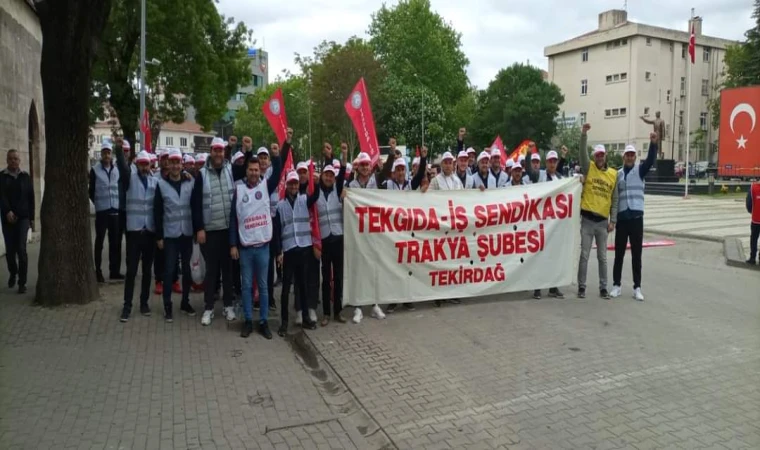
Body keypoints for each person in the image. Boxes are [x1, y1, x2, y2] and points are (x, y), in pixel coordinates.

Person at [229, 151, 283, 339]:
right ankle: (248, 321)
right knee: (246, 287)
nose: (253, 172)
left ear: (261, 170)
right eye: (250, 170)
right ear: (247, 171)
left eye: (256, 169)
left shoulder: (266, 186)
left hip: (262, 246)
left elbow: (277, 173)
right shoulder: (239, 190)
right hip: (245, 247)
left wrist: (276, 156)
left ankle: (263, 321)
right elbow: (233, 219)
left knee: (263, 286)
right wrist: (233, 244)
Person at [193, 137, 237, 326]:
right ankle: (209, 308)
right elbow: (195, 204)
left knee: (227, 271)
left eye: (221, 150)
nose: (218, 154)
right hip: (210, 231)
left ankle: (228, 306)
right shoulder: (201, 174)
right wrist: (199, 228)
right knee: (211, 272)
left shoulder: (230, 170)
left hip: (228, 230)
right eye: (216, 150)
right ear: (211, 151)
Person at [345, 151, 393, 323]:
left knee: (374, 270)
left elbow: (387, 171)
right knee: (358, 271)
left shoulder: (376, 181)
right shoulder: (351, 185)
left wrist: (392, 155)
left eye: (367, 165)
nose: (365, 168)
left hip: (373, 233)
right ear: (358, 167)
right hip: (357, 234)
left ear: (370, 167)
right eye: (363, 165)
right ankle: (358, 307)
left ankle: (374, 305)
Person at [154, 148, 200, 322]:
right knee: (169, 270)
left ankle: (185, 302)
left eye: (177, 162)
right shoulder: (161, 185)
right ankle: (167, 305)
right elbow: (157, 212)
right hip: (170, 234)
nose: (175, 166)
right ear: (168, 164)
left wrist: (196, 230)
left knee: (187, 270)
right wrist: (159, 236)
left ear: (182, 164)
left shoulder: (190, 182)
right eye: (172, 162)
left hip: (186, 233)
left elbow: (195, 208)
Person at [611, 134, 658, 301]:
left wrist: (653, 144)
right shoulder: (617, 175)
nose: (630, 157)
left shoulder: (640, 170)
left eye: (632, 155)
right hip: (622, 218)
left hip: (637, 217)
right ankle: (616, 285)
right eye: (627, 155)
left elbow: (651, 160)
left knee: (636, 254)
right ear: (623, 157)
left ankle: (637, 287)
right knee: (619, 254)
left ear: (635, 157)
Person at [115, 144, 157, 322]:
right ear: (137, 164)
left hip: (150, 233)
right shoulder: (129, 178)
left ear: (150, 165)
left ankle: (144, 303)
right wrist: (118, 149)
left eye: (146, 164)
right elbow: (123, 167)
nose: (144, 167)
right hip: (134, 232)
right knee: (132, 271)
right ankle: (127, 305)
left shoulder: (155, 181)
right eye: (141, 164)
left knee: (147, 271)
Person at [576, 124, 619, 299]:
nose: (600, 158)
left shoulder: (613, 174)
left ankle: (603, 287)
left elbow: (615, 199)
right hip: (587, 220)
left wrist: (613, 220)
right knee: (584, 255)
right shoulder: (589, 167)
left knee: (602, 257)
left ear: (605, 156)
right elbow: (581, 154)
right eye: (597, 155)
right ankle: (582, 287)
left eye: (602, 155)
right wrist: (584, 134)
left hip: (602, 222)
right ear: (595, 157)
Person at [274, 171, 319, 336]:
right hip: (289, 251)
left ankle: (306, 317)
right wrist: (278, 252)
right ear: (286, 185)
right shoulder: (280, 206)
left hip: (304, 249)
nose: (293, 186)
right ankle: (284, 322)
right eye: (291, 183)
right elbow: (277, 232)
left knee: (303, 285)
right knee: (286, 289)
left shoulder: (304, 199)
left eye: (295, 183)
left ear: (298, 185)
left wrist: (317, 181)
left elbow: (316, 196)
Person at [384, 146, 428, 313]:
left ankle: (408, 299)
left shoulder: (411, 184)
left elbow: (420, 175)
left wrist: (423, 159)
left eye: (403, 169)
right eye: (398, 169)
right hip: (393, 233)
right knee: (394, 267)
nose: (401, 172)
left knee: (409, 266)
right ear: (394, 172)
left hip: (409, 232)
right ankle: (393, 299)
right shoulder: (387, 184)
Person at [526, 149, 566, 300]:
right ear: (546, 163)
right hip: (541, 222)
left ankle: (553, 287)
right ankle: (537, 287)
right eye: (550, 161)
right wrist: (529, 154)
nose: (552, 164)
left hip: (556, 223)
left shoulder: (560, 177)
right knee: (540, 256)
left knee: (554, 256)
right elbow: (529, 171)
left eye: (554, 161)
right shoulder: (540, 175)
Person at [315, 147, 348, 325]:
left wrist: (343, 155)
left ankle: (338, 311)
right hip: (325, 241)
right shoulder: (316, 193)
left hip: (338, 239)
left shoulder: (338, 189)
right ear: (322, 177)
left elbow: (342, 172)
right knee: (326, 278)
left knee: (339, 277)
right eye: (326, 175)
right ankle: (326, 313)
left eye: (331, 176)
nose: (329, 178)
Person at [89, 141, 124, 283]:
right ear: (101, 154)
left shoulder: (116, 169)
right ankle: (98, 271)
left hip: (114, 209)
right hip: (102, 210)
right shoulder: (95, 170)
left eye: (108, 152)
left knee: (114, 242)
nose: (106, 155)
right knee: (100, 241)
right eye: (104, 153)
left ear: (111, 154)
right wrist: (98, 202)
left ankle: (114, 271)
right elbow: (91, 191)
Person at [0, 149, 34, 294]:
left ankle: (22, 282)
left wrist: (31, 218)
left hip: (23, 218)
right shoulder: (2, 177)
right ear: (7, 160)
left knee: (21, 249)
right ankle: (13, 272)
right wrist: (8, 211)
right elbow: (1, 196)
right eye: (11, 159)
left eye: (16, 159)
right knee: (10, 251)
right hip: (7, 218)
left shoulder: (25, 177)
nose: (14, 161)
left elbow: (30, 198)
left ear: (19, 161)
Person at [746, 181, 760, 265]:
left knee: (754, 239)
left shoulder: (753, 187)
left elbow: (748, 203)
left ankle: (752, 258)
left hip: (755, 220)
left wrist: (752, 211)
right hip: (755, 219)